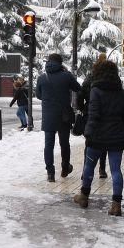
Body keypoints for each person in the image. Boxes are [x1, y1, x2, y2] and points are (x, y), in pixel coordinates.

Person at [73, 60, 124, 216]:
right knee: (116, 170)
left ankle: (84, 196)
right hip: (116, 136)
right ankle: (116, 205)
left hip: (97, 136)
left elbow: (93, 115)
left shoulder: (96, 91)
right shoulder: (122, 92)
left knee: (89, 166)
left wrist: (88, 133)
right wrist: (121, 129)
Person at [36, 54, 80, 182]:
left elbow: (39, 95)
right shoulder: (66, 76)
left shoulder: (42, 77)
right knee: (64, 143)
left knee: (48, 145)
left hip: (48, 116)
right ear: (60, 63)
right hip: (63, 116)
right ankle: (65, 168)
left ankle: (50, 172)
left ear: (49, 62)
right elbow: (77, 88)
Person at [78, 55, 108, 179]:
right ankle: (102, 169)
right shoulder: (110, 79)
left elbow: (80, 96)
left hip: (90, 114)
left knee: (89, 143)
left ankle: (86, 170)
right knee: (104, 144)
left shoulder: (89, 78)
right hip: (106, 115)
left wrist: (83, 108)